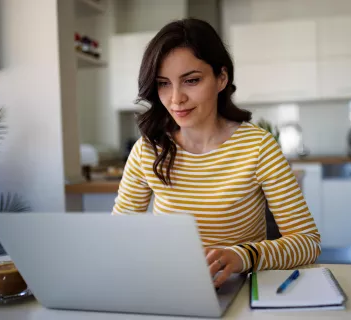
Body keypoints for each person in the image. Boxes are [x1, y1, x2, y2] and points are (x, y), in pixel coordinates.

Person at [112, 18, 321, 287]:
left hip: (240, 290)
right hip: (171, 287)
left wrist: (242, 256)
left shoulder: (258, 147)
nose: (176, 99)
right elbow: (119, 235)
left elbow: (308, 243)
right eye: (163, 83)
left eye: (191, 80)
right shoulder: (148, 149)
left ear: (221, 78)